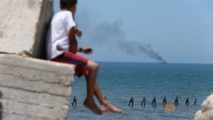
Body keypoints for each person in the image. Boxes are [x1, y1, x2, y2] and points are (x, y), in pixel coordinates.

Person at [46, 0, 122, 115]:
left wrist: (81, 50)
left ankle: (103, 102)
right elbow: (72, 41)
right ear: (75, 6)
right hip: (59, 56)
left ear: (59, 5)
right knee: (94, 67)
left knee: (88, 72)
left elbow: (62, 44)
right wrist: (75, 57)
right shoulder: (68, 15)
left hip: (56, 53)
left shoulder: (58, 16)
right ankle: (89, 101)